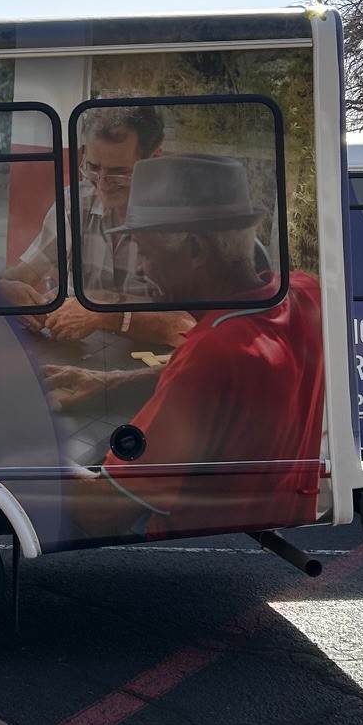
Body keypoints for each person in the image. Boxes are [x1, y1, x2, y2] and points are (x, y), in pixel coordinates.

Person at [56, 154, 324, 540]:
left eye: (146, 252)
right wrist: (108, 382)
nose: (140, 269)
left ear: (196, 250)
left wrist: (33, 444)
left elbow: (105, 511)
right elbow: (234, 387)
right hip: (267, 522)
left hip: (196, 540)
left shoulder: (212, 353)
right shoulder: (304, 294)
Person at [0, 105, 193, 346]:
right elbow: (23, 273)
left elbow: (188, 327)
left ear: (153, 160)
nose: (102, 184)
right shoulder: (74, 204)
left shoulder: (180, 222)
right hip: (78, 357)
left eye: (118, 172)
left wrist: (103, 314)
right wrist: (5, 287)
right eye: (92, 168)